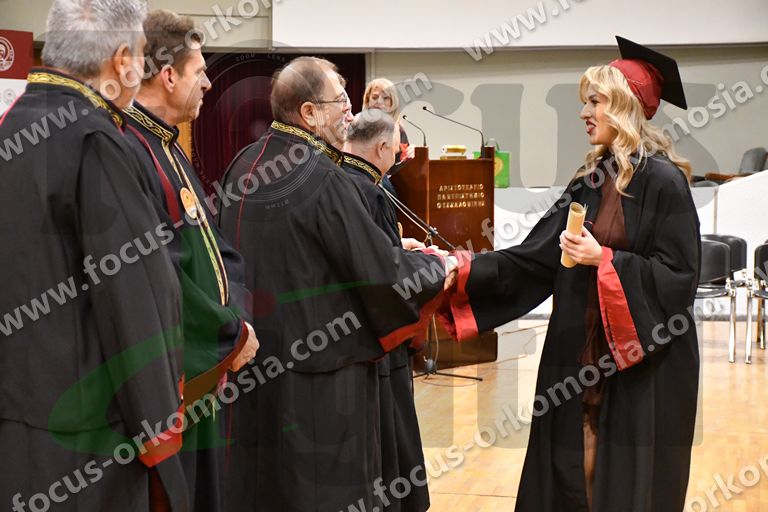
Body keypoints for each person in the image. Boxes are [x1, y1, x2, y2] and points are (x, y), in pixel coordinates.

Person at [440, 37, 700, 512]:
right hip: (579, 353)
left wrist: (606, 260)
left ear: (623, 106)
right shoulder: (591, 180)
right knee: (571, 468)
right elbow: (535, 258)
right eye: (586, 102)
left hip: (638, 361)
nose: (584, 112)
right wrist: (459, 268)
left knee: (619, 477)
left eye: (595, 101)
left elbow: (679, 278)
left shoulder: (664, 182)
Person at [217, 56, 456, 511]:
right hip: (318, 377)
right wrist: (433, 268)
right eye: (340, 100)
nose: (350, 110)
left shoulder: (242, 165)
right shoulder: (323, 177)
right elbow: (381, 274)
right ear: (308, 113)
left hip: (252, 367)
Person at [0, 1, 191, 510]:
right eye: (142, 55)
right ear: (122, 60)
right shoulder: (97, 139)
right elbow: (138, 295)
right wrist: (159, 428)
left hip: (15, 417)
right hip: (87, 436)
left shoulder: (11, 125)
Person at [122, 10, 259, 512]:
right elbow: (158, 273)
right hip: (177, 369)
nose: (207, 83)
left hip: (204, 367)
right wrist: (228, 333)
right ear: (168, 75)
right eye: (199, 71)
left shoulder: (168, 146)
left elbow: (218, 252)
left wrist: (237, 314)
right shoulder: (129, 148)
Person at [341, 109, 430, 512]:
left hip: (350, 333)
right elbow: (382, 273)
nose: (396, 159)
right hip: (382, 337)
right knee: (393, 432)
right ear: (380, 148)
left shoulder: (339, 180)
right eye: (394, 151)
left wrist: (398, 248)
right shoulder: (372, 191)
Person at [363, 77, 413, 195]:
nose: (379, 102)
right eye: (375, 97)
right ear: (368, 101)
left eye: (385, 98)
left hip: (395, 186)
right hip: (367, 185)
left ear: (392, 103)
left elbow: (402, 164)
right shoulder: (358, 128)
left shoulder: (399, 129)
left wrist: (413, 155)